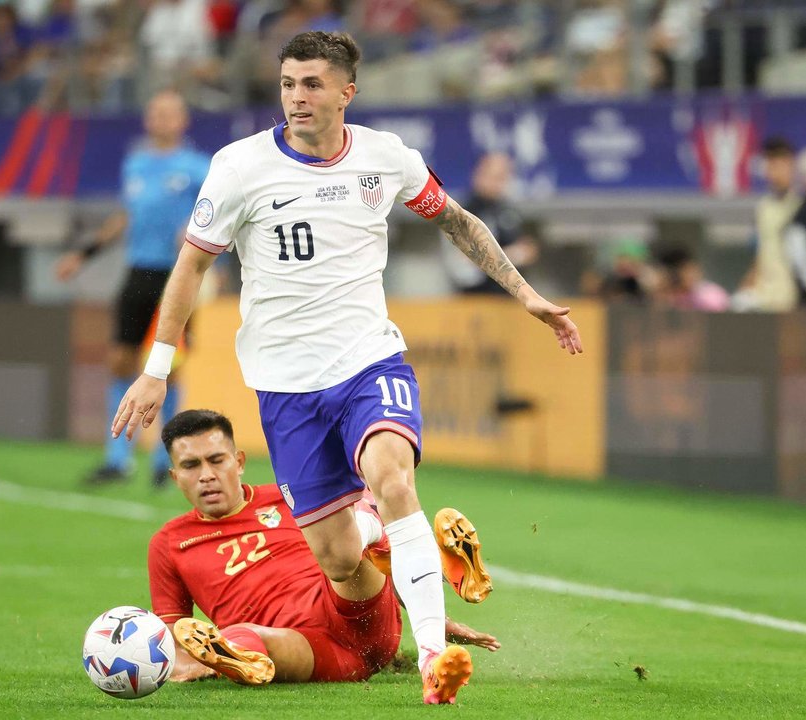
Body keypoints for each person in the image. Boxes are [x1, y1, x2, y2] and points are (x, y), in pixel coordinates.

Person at [114, 31, 581, 704]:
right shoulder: (239, 167)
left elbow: (456, 221)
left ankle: (432, 659)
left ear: (344, 92)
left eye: (310, 84)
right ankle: (406, 553)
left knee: (391, 477)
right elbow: (191, 264)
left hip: (368, 359)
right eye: (286, 84)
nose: (296, 98)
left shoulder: (383, 158)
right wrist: (157, 368)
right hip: (284, 384)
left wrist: (526, 293)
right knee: (337, 557)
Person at [150, 409, 500, 685]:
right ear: (174, 476)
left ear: (239, 462)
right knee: (240, 637)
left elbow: (357, 568)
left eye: (216, 460)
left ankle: (414, 556)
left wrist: (433, 616)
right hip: (301, 647)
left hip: (351, 608)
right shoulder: (168, 543)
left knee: (347, 546)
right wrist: (188, 665)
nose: (207, 475)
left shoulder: (291, 498)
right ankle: (235, 659)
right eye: (191, 465)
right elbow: (174, 633)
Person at [55, 89, 210, 487]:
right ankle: (118, 458)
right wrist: (85, 253)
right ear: (148, 119)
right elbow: (126, 215)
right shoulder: (137, 164)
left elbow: (217, 217)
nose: (161, 120)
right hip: (137, 272)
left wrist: (203, 246)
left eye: (169, 113)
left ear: (183, 121)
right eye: (156, 113)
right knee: (121, 361)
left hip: (178, 275)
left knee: (169, 369)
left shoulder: (198, 167)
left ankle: (165, 458)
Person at [448, 151, 539, 294]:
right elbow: (466, 260)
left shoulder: (507, 208)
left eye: (504, 177)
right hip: (477, 294)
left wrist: (516, 254)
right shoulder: (465, 210)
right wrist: (513, 255)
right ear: (479, 175)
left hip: (510, 294)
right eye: (495, 177)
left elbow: (527, 249)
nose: (499, 183)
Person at [734, 137, 802, 313]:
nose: (774, 172)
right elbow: (762, 250)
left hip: (794, 297)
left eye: (779, 164)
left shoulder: (800, 206)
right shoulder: (764, 207)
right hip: (765, 295)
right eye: (770, 165)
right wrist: (748, 282)